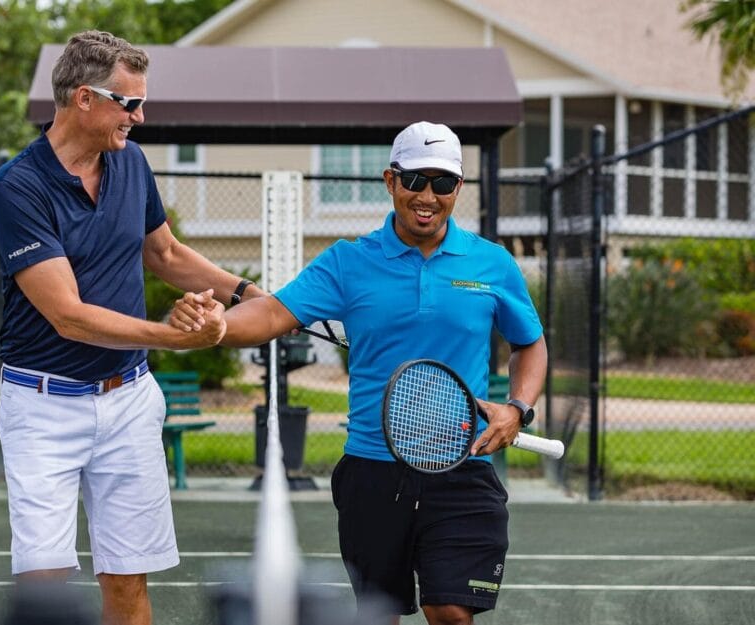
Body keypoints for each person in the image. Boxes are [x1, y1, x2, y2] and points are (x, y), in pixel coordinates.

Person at [172, 121, 547, 625]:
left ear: (458, 188)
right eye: (414, 180)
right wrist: (218, 326)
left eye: (442, 183)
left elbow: (529, 342)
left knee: (451, 611)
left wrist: (518, 408)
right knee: (377, 614)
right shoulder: (348, 262)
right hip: (373, 470)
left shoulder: (492, 264)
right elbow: (273, 312)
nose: (427, 196)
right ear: (390, 181)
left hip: (462, 468)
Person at [0, 30, 263, 625]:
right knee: (44, 589)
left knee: (128, 580)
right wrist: (177, 338)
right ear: (84, 98)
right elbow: (68, 315)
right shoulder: (16, 188)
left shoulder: (131, 162)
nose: (139, 116)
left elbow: (164, 253)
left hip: (129, 401)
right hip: (42, 409)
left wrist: (251, 295)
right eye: (129, 103)